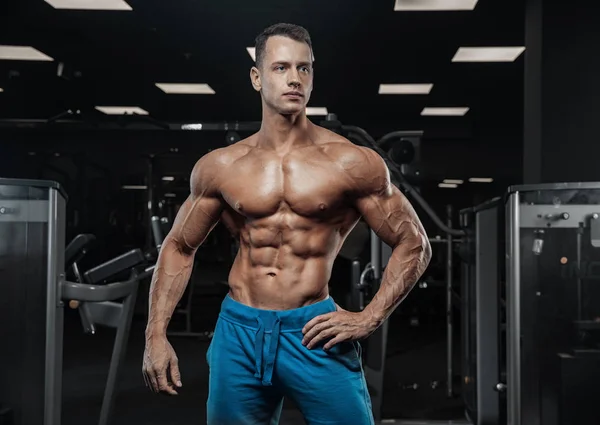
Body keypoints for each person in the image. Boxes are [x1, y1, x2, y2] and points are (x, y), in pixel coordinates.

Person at [142, 22, 432, 425]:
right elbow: (177, 246)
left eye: (304, 68)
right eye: (281, 68)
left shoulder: (350, 162)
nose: (294, 78)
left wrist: (370, 316)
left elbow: (414, 242)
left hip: (314, 331)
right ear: (257, 77)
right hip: (239, 332)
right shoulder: (221, 167)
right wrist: (155, 334)